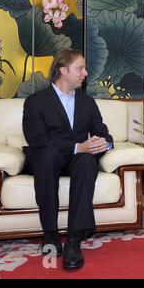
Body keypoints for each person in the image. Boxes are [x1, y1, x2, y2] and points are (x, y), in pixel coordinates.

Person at [22, 48, 113, 269]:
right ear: (63, 70)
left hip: (75, 160)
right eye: (80, 68)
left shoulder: (87, 103)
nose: (85, 72)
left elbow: (102, 131)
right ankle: (50, 234)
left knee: (85, 161)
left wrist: (104, 143)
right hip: (46, 158)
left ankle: (74, 240)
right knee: (48, 155)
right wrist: (76, 146)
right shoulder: (35, 102)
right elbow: (37, 139)